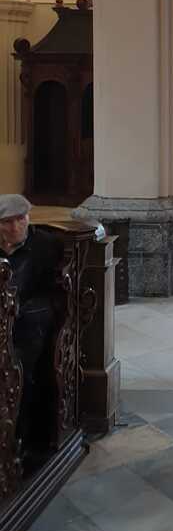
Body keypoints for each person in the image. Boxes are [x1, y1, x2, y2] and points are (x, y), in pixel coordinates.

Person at [0, 194, 63, 471]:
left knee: (17, 373)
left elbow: (49, 291)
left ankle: (20, 441)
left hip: (30, 323)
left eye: (20, 219)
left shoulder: (44, 246)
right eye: (6, 222)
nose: (15, 227)